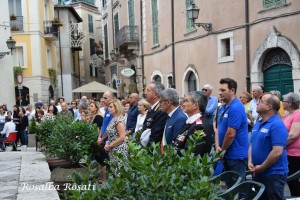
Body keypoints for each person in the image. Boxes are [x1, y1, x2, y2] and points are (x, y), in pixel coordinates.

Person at [248, 93, 288, 199]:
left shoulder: (277, 125)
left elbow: (277, 151)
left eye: (261, 101)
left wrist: (262, 167)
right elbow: (252, 144)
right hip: (258, 172)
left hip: (273, 174)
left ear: (268, 107)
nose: (257, 103)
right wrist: (250, 162)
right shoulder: (258, 123)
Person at [217, 78, 249, 180]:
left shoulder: (236, 108)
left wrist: (222, 151)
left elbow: (230, 134)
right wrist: (218, 146)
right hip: (225, 154)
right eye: (219, 90)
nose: (220, 93)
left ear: (232, 91)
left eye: (223, 90)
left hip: (235, 156)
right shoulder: (223, 107)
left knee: (238, 189)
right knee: (229, 187)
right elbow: (218, 128)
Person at [173, 91, 214, 157]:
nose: (183, 104)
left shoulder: (199, 127)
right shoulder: (191, 122)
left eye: (186, 101)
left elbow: (192, 154)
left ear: (195, 105)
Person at [282, 92, 300, 197]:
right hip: (288, 153)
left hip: (295, 154)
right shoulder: (287, 115)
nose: (281, 103)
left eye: (283, 101)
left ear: (289, 103)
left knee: (293, 180)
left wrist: (279, 145)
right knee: (290, 180)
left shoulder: (298, 115)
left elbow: (293, 135)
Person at [139, 81, 168, 146]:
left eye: (148, 91)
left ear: (156, 95)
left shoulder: (160, 110)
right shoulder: (152, 109)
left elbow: (156, 135)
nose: (145, 93)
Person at [104, 99, 128, 174]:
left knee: (120, 173)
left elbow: (122, 137)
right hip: (113, 149)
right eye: (108, 107)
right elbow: (110, 134)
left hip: (119, 150)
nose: (109, 108)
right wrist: (107, 143)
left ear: (116, 108)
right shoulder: (114, 119)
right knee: (115, 172)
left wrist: (110, 145)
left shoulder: (119, 120)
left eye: (111, 107)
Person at [97, 91, 115, 182]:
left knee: (108, 164)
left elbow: (110, 127)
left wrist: (103, 138)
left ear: (112, 99)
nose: (103, 100)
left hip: (109, 142)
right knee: (103, 161)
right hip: (103, 140)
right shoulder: (107, 109)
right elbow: (103, 125)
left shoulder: (113, 110)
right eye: (103, 98)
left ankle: (106, 182)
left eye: (105, 98)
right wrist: (99, 137)